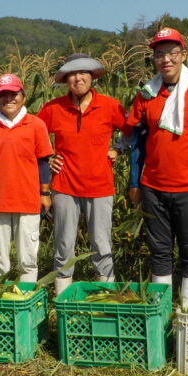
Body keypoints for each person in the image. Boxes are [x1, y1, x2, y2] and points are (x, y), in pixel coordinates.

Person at [126, 28, 188, 307]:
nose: (165, 59)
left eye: (171, 53)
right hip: (154, 187)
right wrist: (135, 183)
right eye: (159, 54)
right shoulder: (146, 94)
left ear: (183, 55)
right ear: (154, 59)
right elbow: (137, 142)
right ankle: (162, 311)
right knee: (159, 251)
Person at [37, 54, 130, 294]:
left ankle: (106, 296)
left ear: (92, 77)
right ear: (66, 80)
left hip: (100, 186)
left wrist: (118, 148)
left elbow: (132, 131)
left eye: (83, 73)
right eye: (72, 75)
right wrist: (49, 158)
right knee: (64, 243)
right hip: (64, 186)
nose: (78, 79)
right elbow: (34, 136)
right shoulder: (53, 108)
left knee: (101, 242)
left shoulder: (110, 106)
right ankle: (62, 296)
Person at [0, 74, 54, 282]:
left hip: (28, 201)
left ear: (23, 96)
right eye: (2, 95)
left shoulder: (36, 125)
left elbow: (43, 162)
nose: (9, 99)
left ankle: (27, 301)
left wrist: (44, 193)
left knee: (27, 259)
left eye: (14, 94)